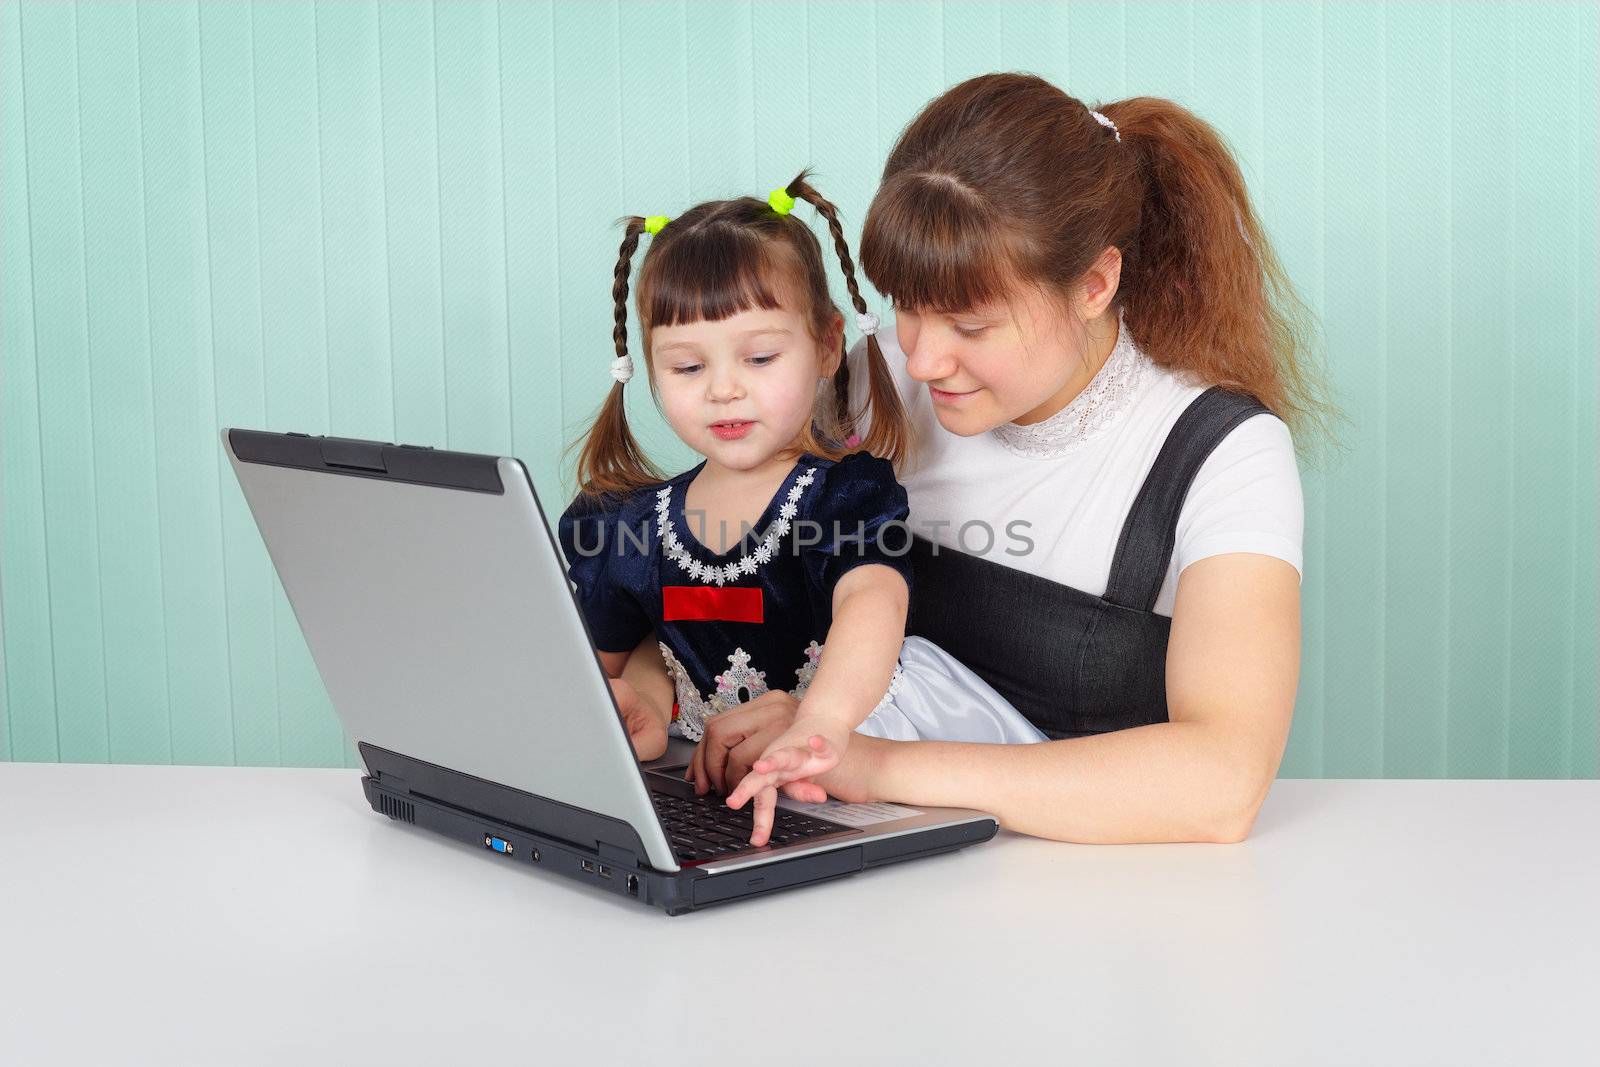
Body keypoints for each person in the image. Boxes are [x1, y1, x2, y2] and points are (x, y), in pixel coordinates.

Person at [616, 74, 1335, 845]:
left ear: (1094, 283)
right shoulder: (869, 383)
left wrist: (874, 761)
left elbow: (1222, 781)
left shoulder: (1218, 452)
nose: (920, 359)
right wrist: (663, 685)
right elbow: (713, 567)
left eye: (969, 323)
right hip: (869, 856)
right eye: (907, 303)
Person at [558, 172, 1044, 849]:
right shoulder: (630, 526)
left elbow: (874, 603)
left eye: (759, 356)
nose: (724, 390)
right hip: (725, 790)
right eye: (687, 368)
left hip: (859, 755)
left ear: (824, 346)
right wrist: (636, 703)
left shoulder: (840, 498)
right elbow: (622, 655)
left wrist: (819, 727)